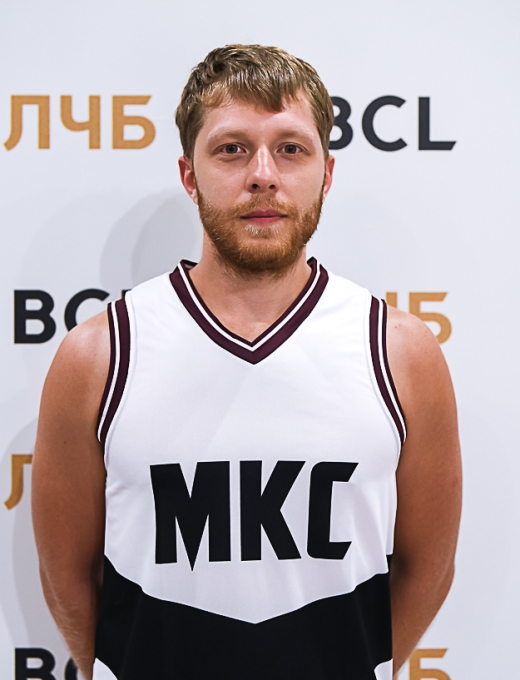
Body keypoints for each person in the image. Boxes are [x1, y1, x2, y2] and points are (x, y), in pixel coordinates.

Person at [32, 45, 462, 680]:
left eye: (291, 149)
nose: (263, 174)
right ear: (189, 175)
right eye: (232, 149)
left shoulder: (399, 352)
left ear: (327, 173)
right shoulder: (99, 354)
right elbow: (64, 572)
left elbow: (429, 567)